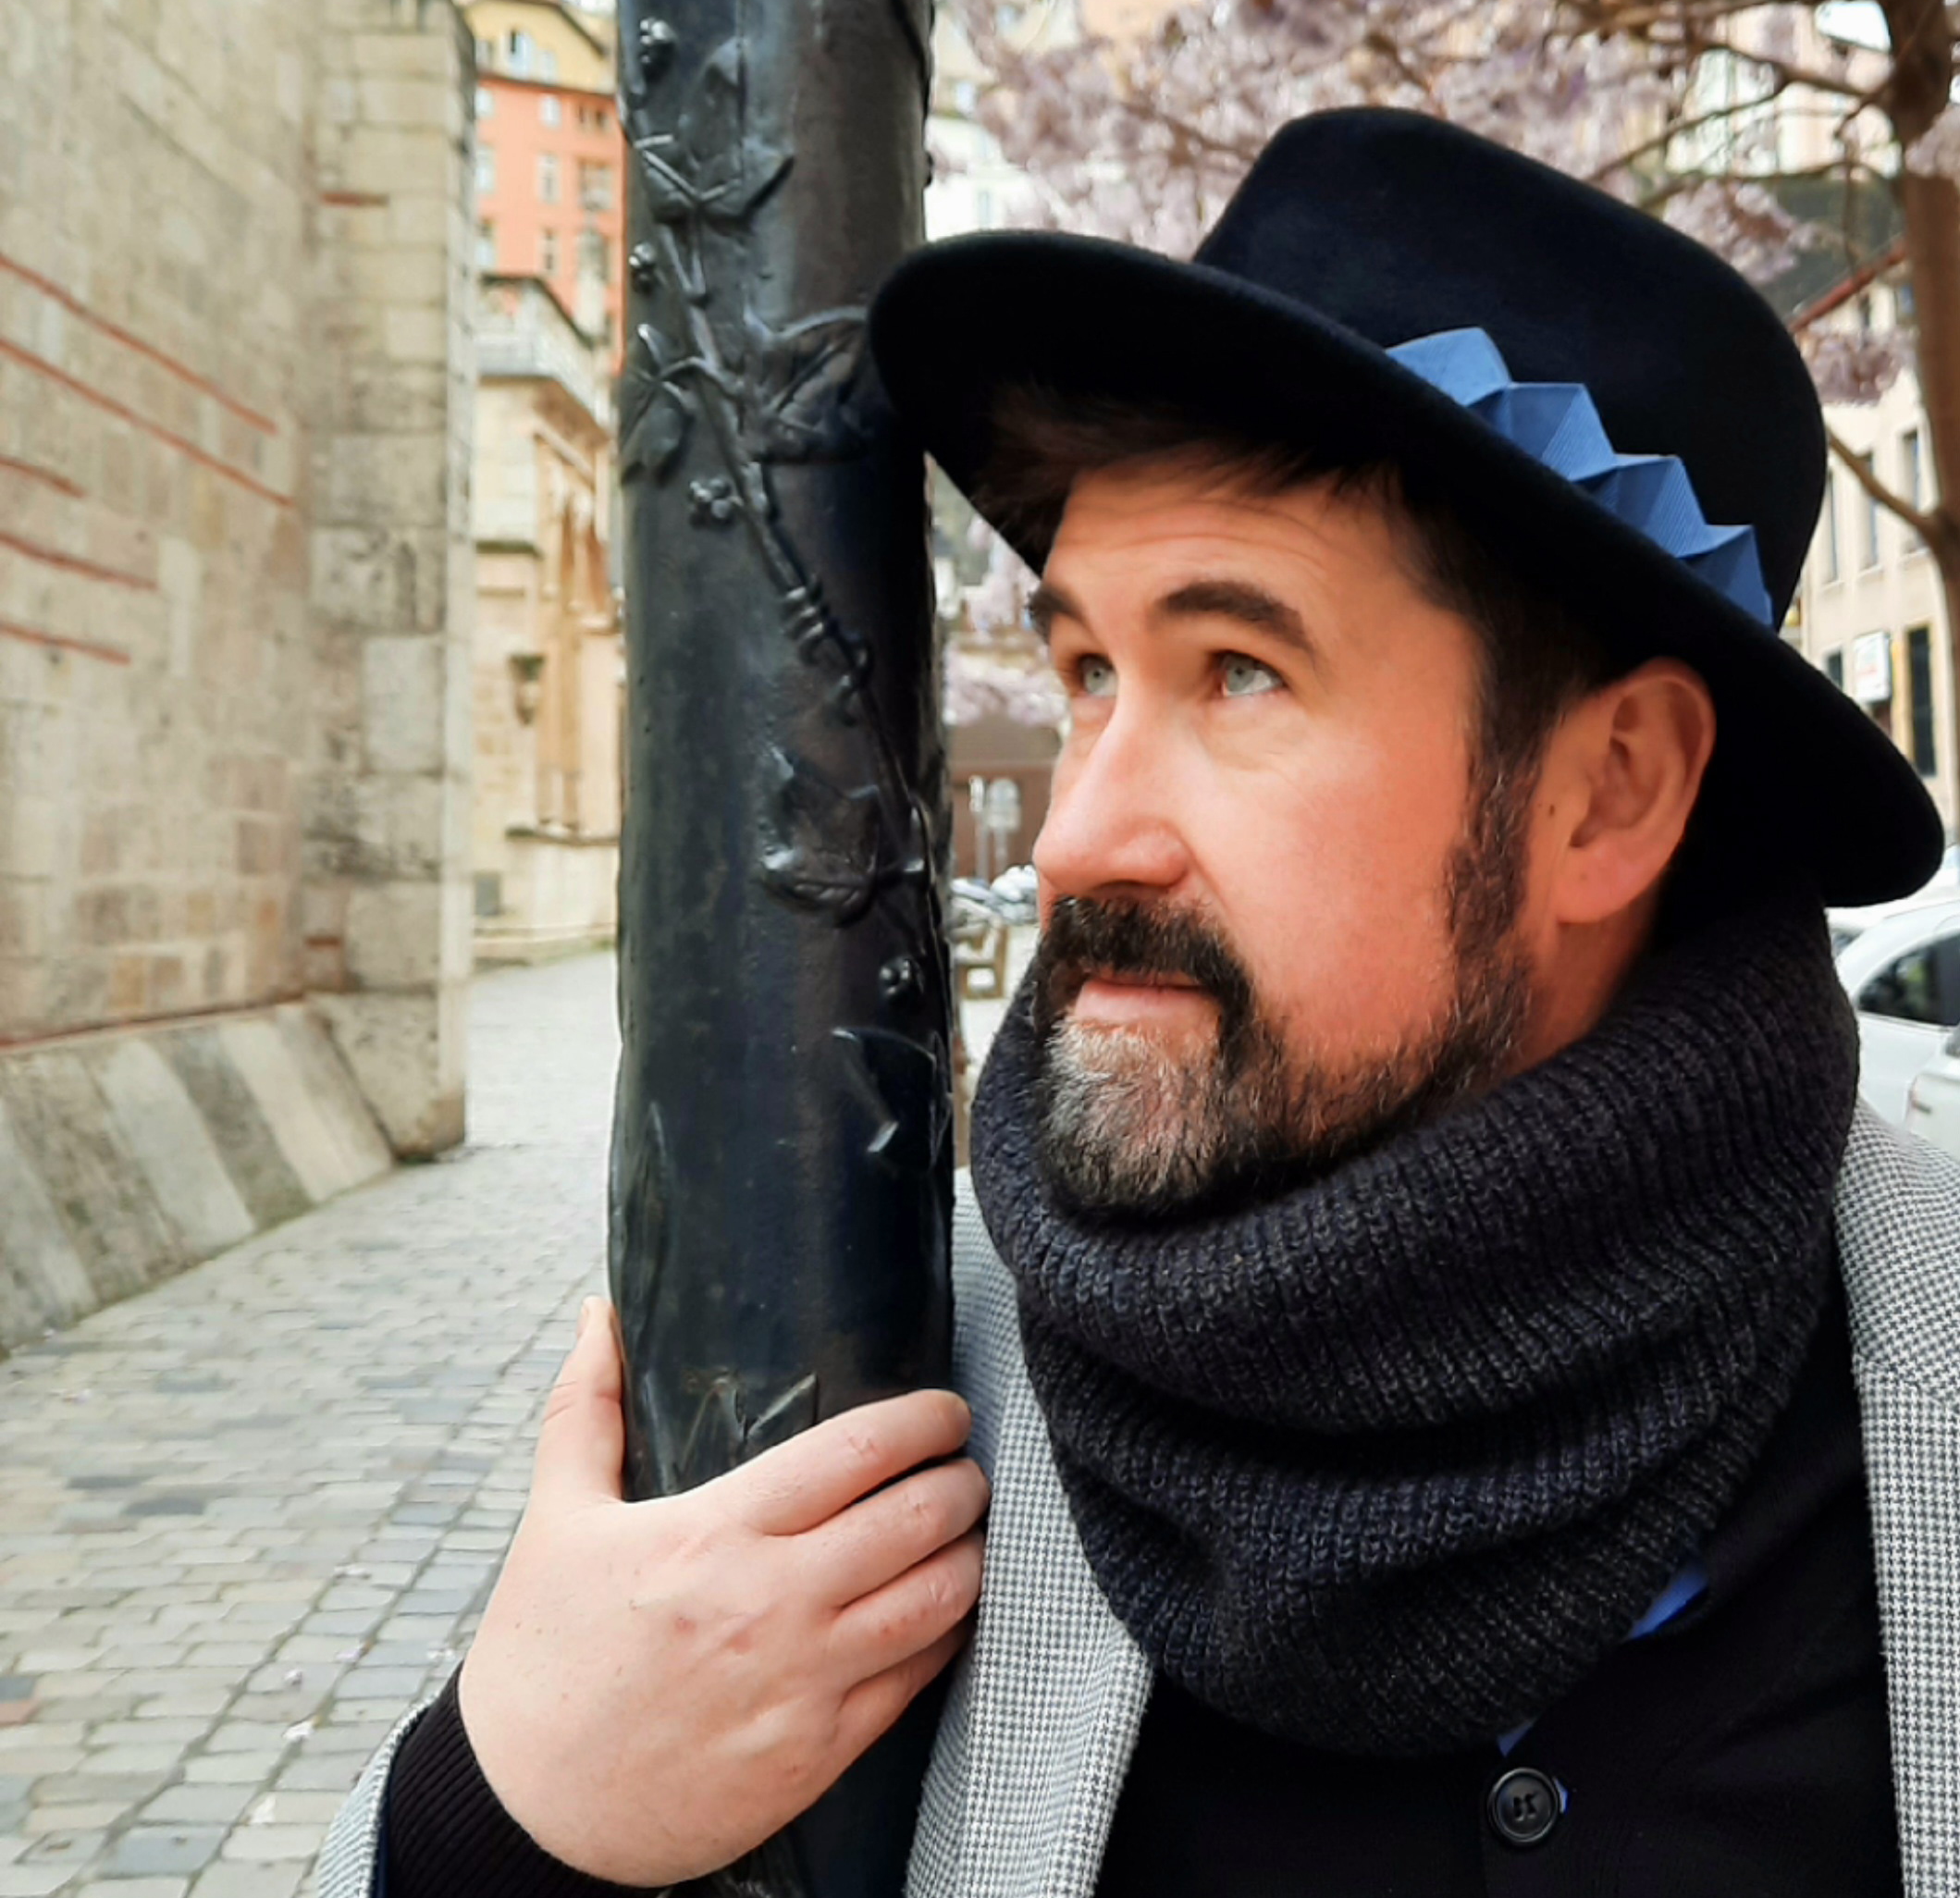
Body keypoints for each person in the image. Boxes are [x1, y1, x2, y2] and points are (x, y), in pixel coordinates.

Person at [321, 111, 1960, 1897]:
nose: (1082, 832)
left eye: (1238, 669)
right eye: (1090, 669)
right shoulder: (860, 1373)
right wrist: (502, 1809)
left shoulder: (1921, 1376)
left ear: (1612, 791)